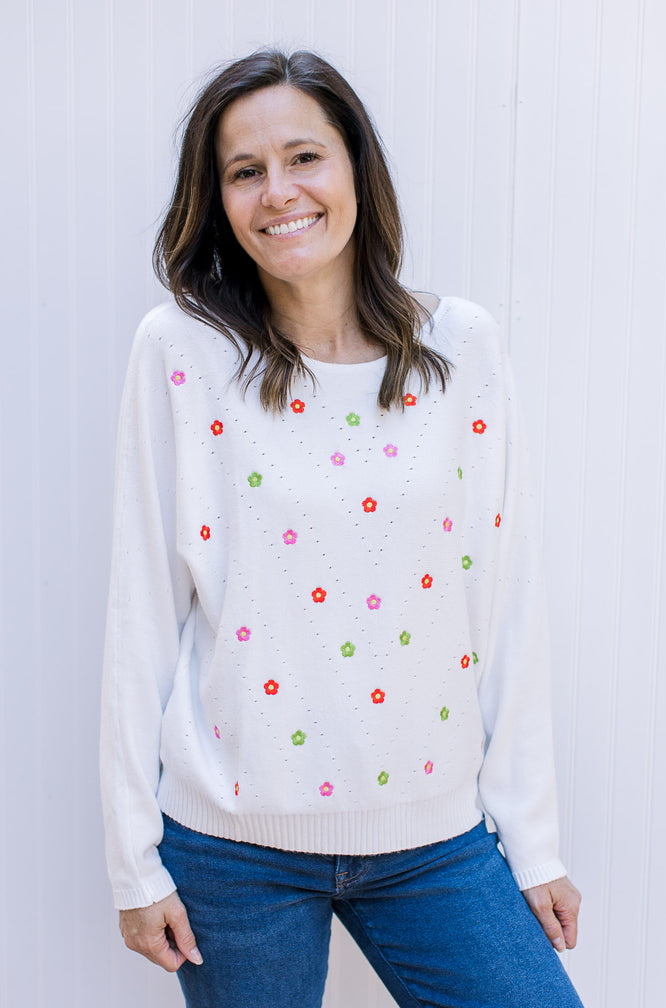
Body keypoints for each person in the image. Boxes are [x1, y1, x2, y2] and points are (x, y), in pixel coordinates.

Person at [101, 48, 584, 1008]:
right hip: (233, 850)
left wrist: (533, 846)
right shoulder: (183, 352)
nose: (278, 192)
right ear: (220, 199)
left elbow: (505, 603)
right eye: (244, 172)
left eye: (304, 157)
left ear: (358, 168)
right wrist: (132, 862)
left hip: (437, 841)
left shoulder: (464, 350)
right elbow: (142, 611)